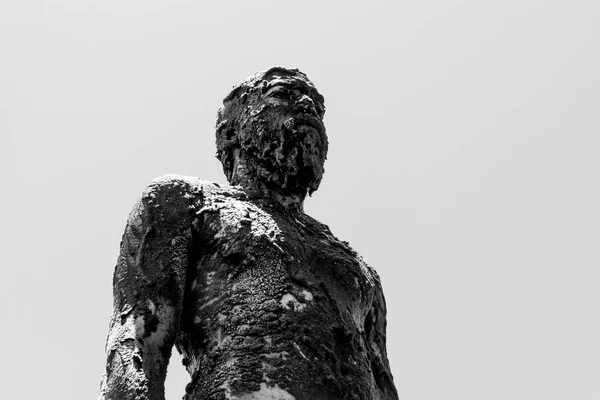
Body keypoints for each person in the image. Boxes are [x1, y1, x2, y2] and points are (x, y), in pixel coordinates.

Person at [99, 67, 398, 400]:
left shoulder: (359, 271)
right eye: (282, 94)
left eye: (318, 107)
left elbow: (382, 385)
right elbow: (138, 342)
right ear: (231, 133)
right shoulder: (185, 202)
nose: (307, 107)